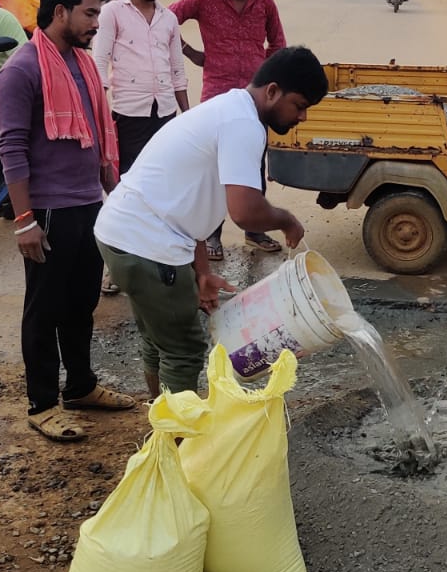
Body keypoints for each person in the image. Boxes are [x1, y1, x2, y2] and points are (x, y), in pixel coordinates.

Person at [95, 47, 327, 396]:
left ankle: (161, 417)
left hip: (120, 233)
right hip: (146, 243)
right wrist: (287, 219)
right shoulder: (243, 124)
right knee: (183, 349)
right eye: (300, 105)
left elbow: (195, 210)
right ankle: (178, 442)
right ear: (273, 91)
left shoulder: (228, 109)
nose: (303, 117)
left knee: (160, 338)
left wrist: (202, 273)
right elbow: (245, 211)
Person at [0, 0, 137, 442]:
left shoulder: (81, 61)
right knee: (44, 308)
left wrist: (112, 193)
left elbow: (98, 132)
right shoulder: (23, 69)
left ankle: (80, 386)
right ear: (61, 12)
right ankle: (42, 403)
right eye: (90, 12)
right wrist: (24, 221)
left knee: (82, 304)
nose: (98, 21)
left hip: (86, 204)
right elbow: (11, 149)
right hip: (48, 210)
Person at [171, 0, 287, 258]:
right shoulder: (203, 0)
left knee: (252, 166)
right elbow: (165, 22)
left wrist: (269, 77)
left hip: (255, 100)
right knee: (214, 168)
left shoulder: (264, 3)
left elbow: (278, 44)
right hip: (216, 97)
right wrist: (192, 53)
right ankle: (212, 235)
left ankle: (255, 231)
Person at [91, 0, 190, 175]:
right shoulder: (112, 12)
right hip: (129, 112)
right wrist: (100, 113)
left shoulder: (169, 19)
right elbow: (100, 62)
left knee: (166, 174)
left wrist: (186, 114)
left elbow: (177, 70)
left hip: (166, 111)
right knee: (130, 176)